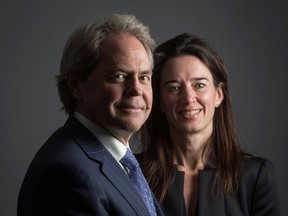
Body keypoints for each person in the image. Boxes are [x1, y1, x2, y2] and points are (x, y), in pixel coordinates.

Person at [17, 14, 164, 216]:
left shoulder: (122, 162)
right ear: (76, 85)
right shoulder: (66, 174)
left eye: (144, 77)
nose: (136, 90)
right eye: (119, 76)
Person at [139, 33, 281, 216]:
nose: (188, 98)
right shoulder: (135, 173)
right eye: (174, 88)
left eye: (199, 85)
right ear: (159, 101)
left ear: (219, 95)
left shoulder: (255, 176)